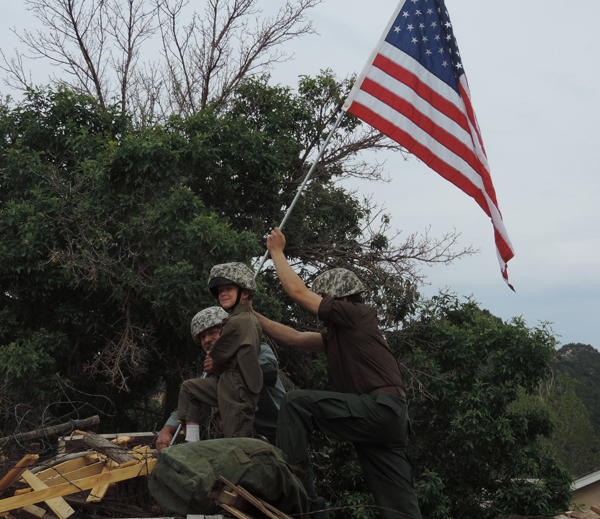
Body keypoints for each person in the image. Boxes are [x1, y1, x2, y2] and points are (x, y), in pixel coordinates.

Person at [252, 228, 422, 519]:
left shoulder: (356, 313)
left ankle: (295, 480)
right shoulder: (345, 334)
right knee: (398, 504)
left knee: (295, 403)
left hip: (379, 408)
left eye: (325, 298)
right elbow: (292, 337)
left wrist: (277, 252)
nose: (321, 303)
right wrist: (251, 314)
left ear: (339, 299)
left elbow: (297, 292)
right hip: (390, 420)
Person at [156, 306, 286, 450]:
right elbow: (193, 399)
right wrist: (168, 429)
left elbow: (269, 371)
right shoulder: (212, 369)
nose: (207, 340)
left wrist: (226, 367)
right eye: (202, 337)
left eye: (212, 333)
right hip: (249, 440)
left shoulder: (255, 349)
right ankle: (191, 444)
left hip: (280, 433)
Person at [177, 263, 263, 440]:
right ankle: (192, 443)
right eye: (220, 290)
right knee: (190, 388)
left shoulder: (240, 321)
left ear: (244, 293)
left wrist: (214, 360)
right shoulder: (236, 319)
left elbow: (218, 355)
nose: (222, 293)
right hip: (228, 383)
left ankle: (261, 451)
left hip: (238, 387)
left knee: (237, 441)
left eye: (229, 288)